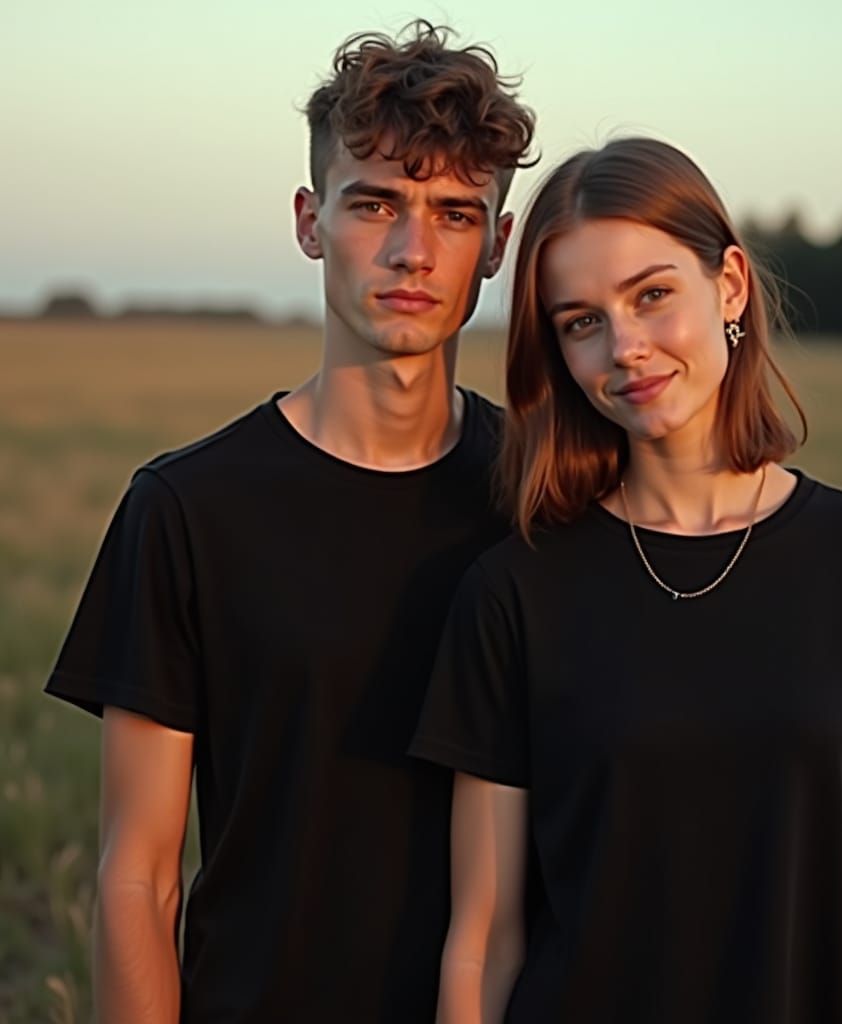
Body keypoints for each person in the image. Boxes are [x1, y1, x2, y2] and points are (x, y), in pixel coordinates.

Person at [410, 137, 842, 1023]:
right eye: (581, 322)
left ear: (728, 286)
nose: (627, 348)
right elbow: (485, 939)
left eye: (652, 296)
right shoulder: (514, 592)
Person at [44, 21, 534, 1023]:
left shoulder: (542, 503)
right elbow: (137, 874)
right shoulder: (186, 509)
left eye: (453, 212)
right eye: (375, 204)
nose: (411, 249)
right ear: (312, 221)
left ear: (498, 244)